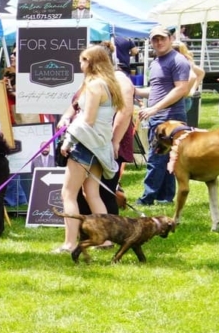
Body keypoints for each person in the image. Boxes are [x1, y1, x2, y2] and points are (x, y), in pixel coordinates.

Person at [56, 44, 125, 254]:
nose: (80, 63)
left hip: (85, 144)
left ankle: (70, 243)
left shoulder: (95, 85)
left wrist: (68, 140)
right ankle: (105, 240)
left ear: (92, 62)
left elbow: (87, 120)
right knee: (92, 193)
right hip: (100, 146)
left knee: (68, 194)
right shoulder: (110, 84)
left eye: (83, 60)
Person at [135, 25, 193, 205]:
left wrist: (154, 108)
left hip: (170, 118)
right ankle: (165, 197)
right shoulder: (156, 62)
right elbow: (156, 90)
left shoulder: (178, 60)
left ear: (171, 39)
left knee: (156, 157)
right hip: (159, 117)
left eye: (162, 38)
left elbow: (181, 89)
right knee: (166, 159)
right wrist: (134, 91)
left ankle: (147, 198)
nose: (159, 42)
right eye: (155, 39)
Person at [174, 39, 204, 128]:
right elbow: (201, 73)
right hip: (184, 98)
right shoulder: (186, 61)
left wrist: (190, 90)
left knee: (176, 126)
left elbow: (195, 76)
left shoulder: (184, 62)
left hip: (182, 98)